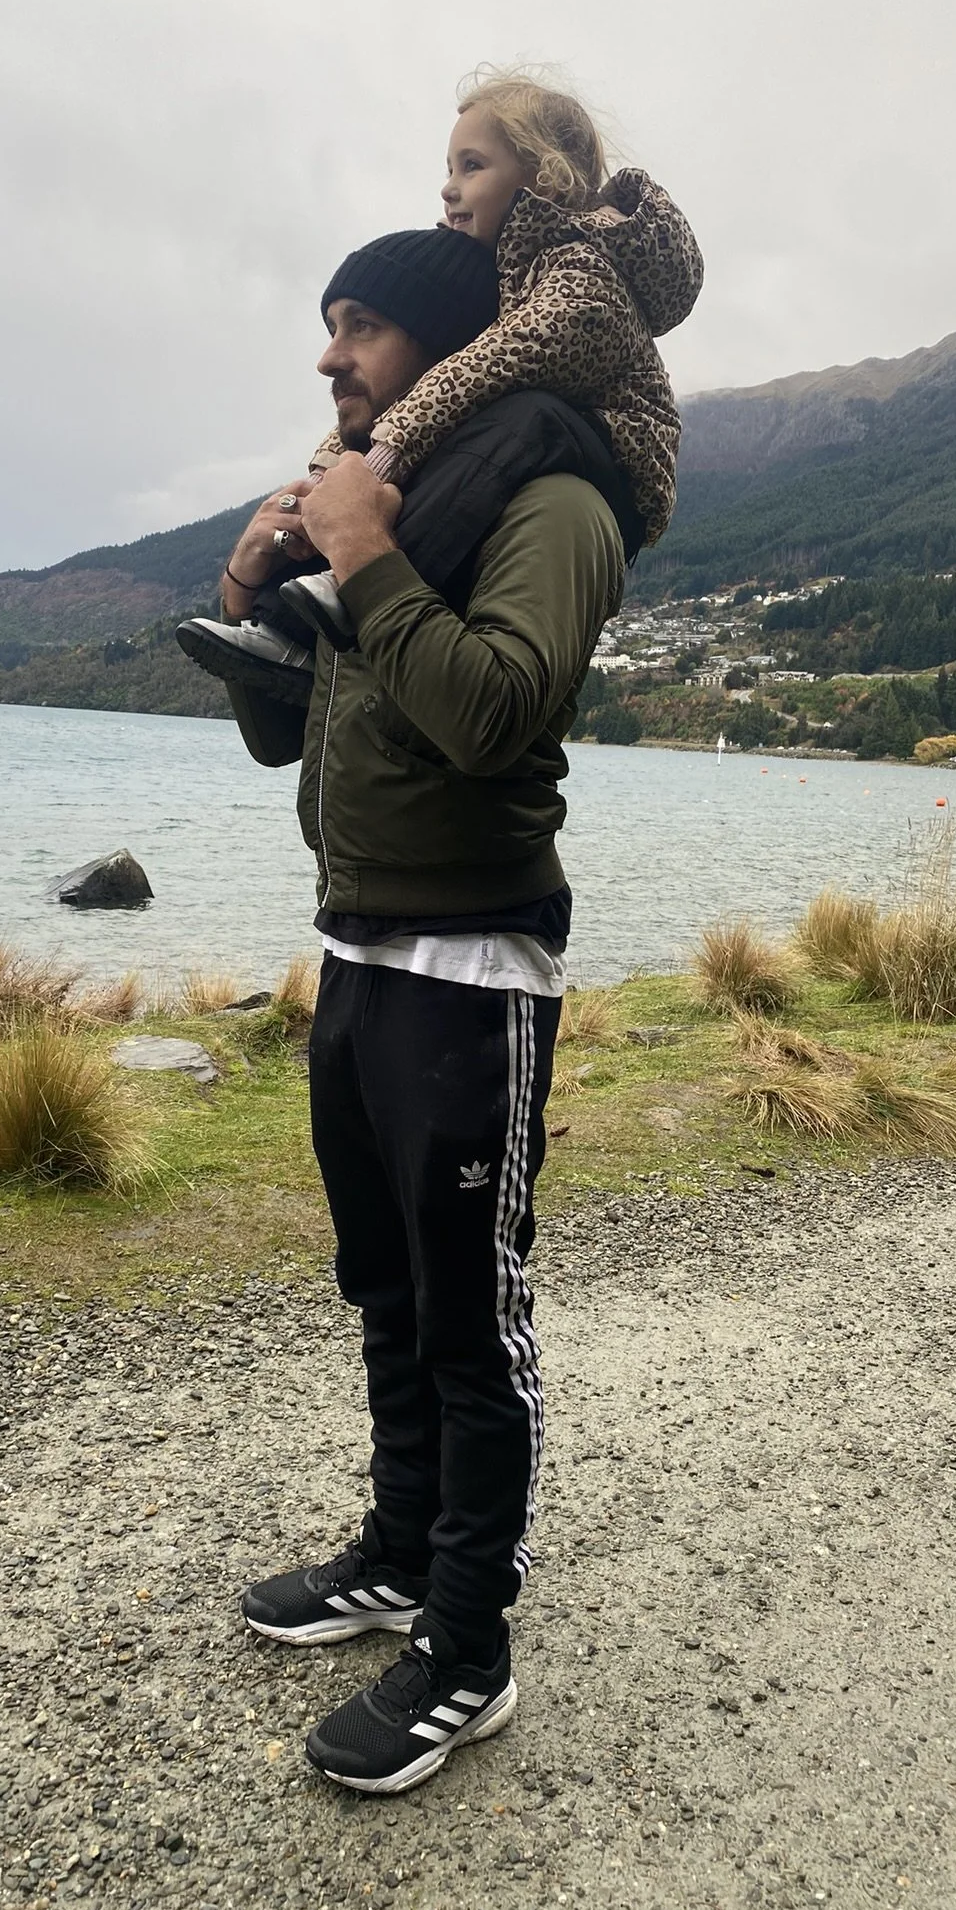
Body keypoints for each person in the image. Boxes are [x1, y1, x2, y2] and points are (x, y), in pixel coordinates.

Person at [220, 226, 631, 1795]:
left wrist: (368, 557)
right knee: (384, 1291)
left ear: (448, 347)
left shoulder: (555, 499)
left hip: (475, 971)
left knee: (474, 1326)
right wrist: (265, 588)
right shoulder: (395, 501)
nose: (332, 359)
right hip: (361, 951)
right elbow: (297, 743)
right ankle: (398, 1556)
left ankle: (468, 1647)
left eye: (366, 328)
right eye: (327, 328)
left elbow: (490, 709)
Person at [177, 66, 700, 701]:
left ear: (544, 178)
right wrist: (267, 558)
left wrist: (366, 532)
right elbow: (280, 743)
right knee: (447, 436)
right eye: (450, 169)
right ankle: (285, 628)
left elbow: (490, 364)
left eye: (472, 167)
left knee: (515, 416)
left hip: (616, 449)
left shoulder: (581, 276)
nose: (449, 190)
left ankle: (312, 608)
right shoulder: (518, 288)